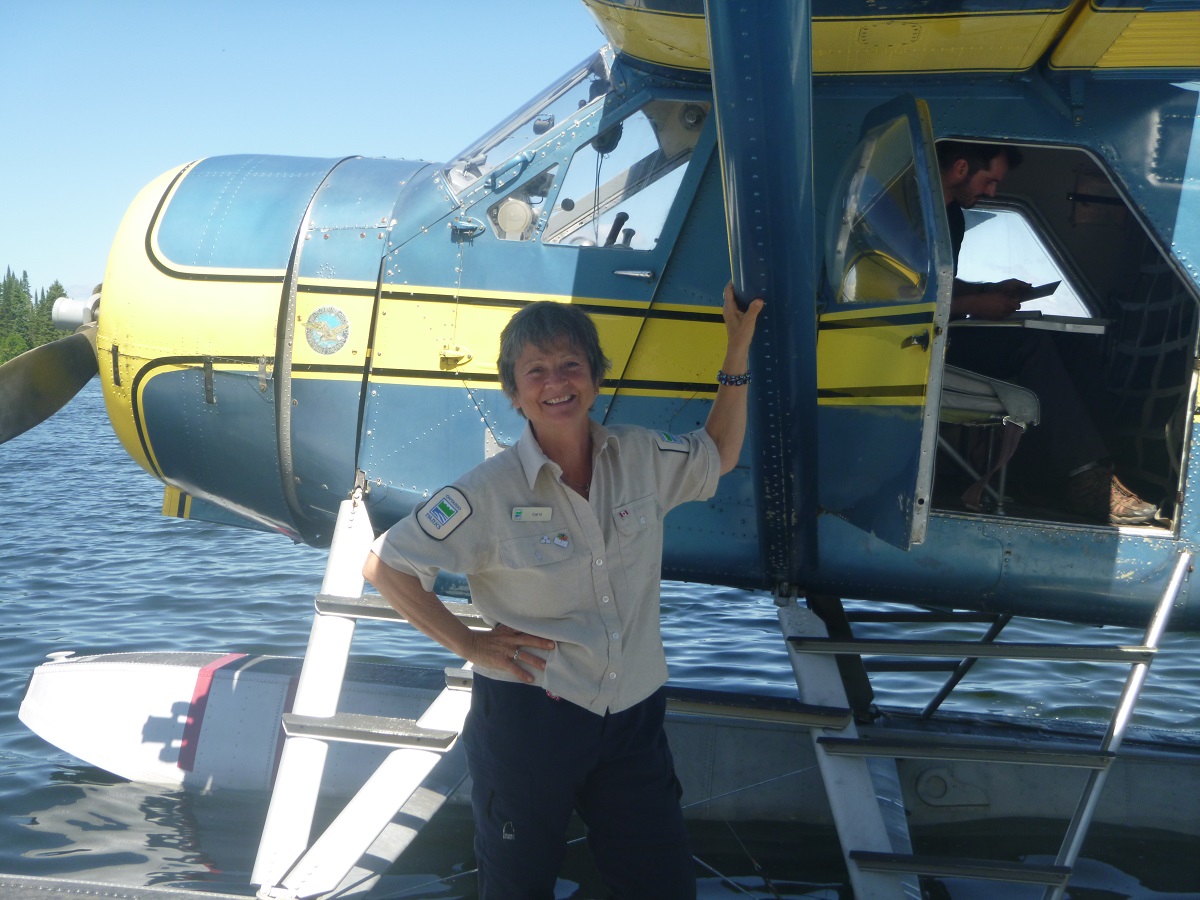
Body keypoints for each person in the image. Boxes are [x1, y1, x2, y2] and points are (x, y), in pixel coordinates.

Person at [363, 285, 763, 899]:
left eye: (572, 364)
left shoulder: (639, 455)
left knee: (662, 886)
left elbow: (720, 453)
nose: (557, 382)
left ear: (596, 378)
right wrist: (470, 644)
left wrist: (737, 352)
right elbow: (386, 566)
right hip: (531, 719)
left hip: (631, 717)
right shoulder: (486, 492)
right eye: (537, 371)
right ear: (515, 393)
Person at [938, 140, 1157, 525]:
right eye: (989, 182)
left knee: (1073, 342)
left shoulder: (953, 217)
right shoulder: (907, 214)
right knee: (1029, 343)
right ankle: (1084, 482)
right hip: (918, 344)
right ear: (960, 169)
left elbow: (939, 285)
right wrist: (975, 306)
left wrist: (990, 291)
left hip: (947, 330)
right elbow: (901, 295)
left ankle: (1099, 472)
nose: (992, 192)